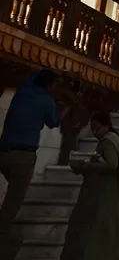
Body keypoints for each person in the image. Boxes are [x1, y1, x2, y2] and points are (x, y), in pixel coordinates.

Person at [0, 69, 62, 256]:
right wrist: (64, 108)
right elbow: (54, 122)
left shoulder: (23, 91)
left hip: (3, 152)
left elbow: (34, 76)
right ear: (50, 86)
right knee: (13, 201)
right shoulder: (46, 101)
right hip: (23, 157)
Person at [61, 111, 119, 260]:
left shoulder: (108, 141)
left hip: (106, 194)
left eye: (98, 129)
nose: (95, 132)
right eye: (93, 129)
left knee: (102, 230)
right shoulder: (112, 139)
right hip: (109, 192)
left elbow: (111, 164)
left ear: (106, 126)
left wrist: (88, 167)